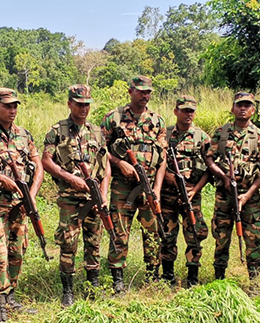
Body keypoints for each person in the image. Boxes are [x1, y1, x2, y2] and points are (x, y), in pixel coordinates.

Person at [0, 88, 43, 323]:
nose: (12, 110)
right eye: (7, 106)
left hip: (20, 205)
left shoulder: (24, 134)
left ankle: (11, 297)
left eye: (15, 106)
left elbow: (38, 164)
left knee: (16, 251)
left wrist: (32, 194)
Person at [100, 75, 167, 294]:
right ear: (131, 92)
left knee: (152, 230)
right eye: (141, 92)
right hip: (123, 185)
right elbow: (101, 150)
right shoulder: (113, 118)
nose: (145, 96)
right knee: (119, 230)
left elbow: (163, 157)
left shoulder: (157, 121)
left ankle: (152, 275)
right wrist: (121, 164)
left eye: (148, 92)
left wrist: (156, 188)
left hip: (149, 184)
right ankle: (118, 279)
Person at [42, 85, 108, 306]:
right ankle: (68, 291)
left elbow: (105, 168)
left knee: (94, 242)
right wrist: (70, 178)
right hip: (70, 199)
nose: (83, 109)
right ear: (69, 103)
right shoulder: (57, 131)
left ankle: (93, 287)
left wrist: (104, 195)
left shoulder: (97, 132)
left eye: (87, 105)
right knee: (68, 243)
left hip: (94, 198)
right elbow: (46, 161)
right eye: (79, 104)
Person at [205, 92, 260, 280]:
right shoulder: (221, 132)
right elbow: (209, 158)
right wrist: (222, 176)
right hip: (224, 195)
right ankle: (219, 278)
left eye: (247, 105)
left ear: (253, 110)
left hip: (250, 196)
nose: (243, 109)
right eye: (239, 105)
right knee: (221, 236)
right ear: (232, 108)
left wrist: (248, 194)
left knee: (253, 237)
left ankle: (255, 281)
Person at [160, 95, 210, 286]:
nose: (189, 114)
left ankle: (192, 278)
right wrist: (169, 178)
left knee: (194, 235)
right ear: (176, 112)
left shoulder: (202, 137)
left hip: (191, 196)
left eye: (192, 111)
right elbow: (157, 164)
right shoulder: (165, 135)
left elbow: (210, 168)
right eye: (185, 110)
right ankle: (168, 277)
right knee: (167, 235)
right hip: (167, 196)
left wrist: (195, 190)